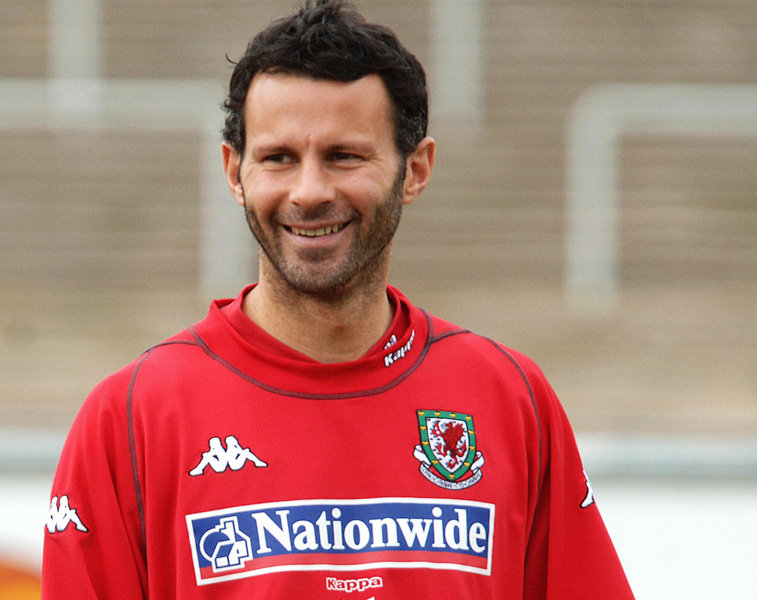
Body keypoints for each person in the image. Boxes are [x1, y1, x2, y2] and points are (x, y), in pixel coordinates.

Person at [41, 1, 634, 598]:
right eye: (278, 158)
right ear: (234, 171)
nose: (309, 192)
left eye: (344, 156)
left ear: (416, 169)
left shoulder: (509, 398)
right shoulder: (132, 418)